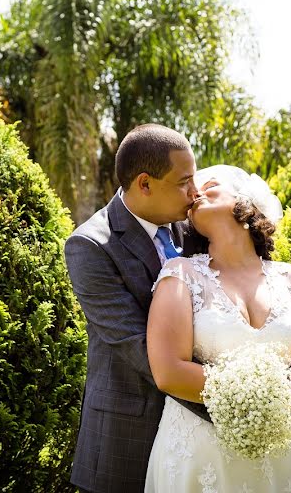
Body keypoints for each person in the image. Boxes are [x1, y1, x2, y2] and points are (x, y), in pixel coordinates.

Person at [144, 164, 291, 492]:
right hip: (202, 457)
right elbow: (168, 372)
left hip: (284, 453)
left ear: (245, 201)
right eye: (189, 191)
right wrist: (252, 395)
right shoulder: (180, 274)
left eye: (210, 184)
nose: (195, 193)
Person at [64, 124, 211, 493]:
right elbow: (138, 347)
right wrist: (234, 406)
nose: (194, 193)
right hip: (126, 439)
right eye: (184, 182)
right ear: (144, 184)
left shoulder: (193, 229)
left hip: (197, 449)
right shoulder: (90, 246)